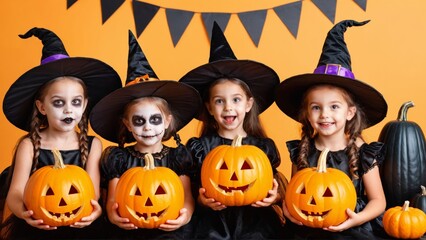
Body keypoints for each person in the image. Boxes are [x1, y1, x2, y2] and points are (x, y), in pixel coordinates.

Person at [0, 27, 122, 239]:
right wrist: (24, 214)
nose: (68, 110)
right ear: (41, 107)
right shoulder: (29, 145)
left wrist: (96, 211)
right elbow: (15, 193)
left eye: (75, 102)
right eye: (58, 103)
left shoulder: (93, 145)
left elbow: (91, 193)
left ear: (84, 105)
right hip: (38, 224)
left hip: (80, 226)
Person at [275, 20, 388, 239]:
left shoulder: (364, 153)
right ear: (307, 113)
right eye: (316, 107)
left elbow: (378, 201)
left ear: (350, 112)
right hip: (306, 229)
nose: (325, 114)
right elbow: (294, 193)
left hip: (351, 229)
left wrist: (358, 218)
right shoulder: (301, 151)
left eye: (334, 106)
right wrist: (289, 212)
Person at [89, 30, 202, 240]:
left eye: (155, 120)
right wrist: (114, 217)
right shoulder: (119, 159)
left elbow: (186, 196)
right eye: (139, 121)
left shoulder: (178, 157)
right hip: (130, 231)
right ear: (128, 125)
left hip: (171, 231)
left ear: (167, 121)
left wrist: (185, 216)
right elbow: (113, 200)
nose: (148, 128)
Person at [179, 22, 287, 240]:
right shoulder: (200, 147)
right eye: (219, 101)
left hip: (257, 226)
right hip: (213, 226)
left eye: (236, 100)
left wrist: (274, 197)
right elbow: (188, 194)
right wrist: (202, 201)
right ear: (209, 108)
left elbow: (274, 187)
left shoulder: (263, 147)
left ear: (248, 104)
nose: (228, 107)